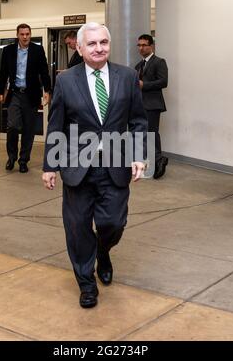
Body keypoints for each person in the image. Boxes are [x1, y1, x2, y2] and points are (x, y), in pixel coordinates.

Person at [42, 22, 147, 308]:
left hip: (115, 163)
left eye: (104, 42)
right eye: (92, 44)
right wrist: (50, 165)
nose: (99, 48)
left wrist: (138, 155)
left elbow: (138, 120)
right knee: (77, 228)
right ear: (79, 47)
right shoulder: (66, 80)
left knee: (113, 223)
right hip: (77, 167)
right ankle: (86, 283)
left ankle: (103, 251)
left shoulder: (126, 76)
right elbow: (56, 126)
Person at [0, 23, 51, 173]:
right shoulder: (8, 51)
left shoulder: (37, 50)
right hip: (15, 94)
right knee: (13, 126)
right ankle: (12, 157)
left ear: (30, 34)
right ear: (17, 35)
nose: (25, 37)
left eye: (27, 34)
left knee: (29, 129)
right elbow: (3, 73)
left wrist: (47, 90)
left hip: (31, 94)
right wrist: (0, 91)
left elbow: (44, 71)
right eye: (22, 34)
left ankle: (23, 160)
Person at [135, 34, 169, 179]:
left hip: (153, 104)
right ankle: (154, 162)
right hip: (140, 105)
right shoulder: (138, 65)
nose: (141, 48)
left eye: (144, 45)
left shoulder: (159, 62)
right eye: (139, 45)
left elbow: (163, 81)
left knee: (152, 134)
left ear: (151, 46)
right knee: (144, 135)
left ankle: (159, 160)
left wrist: (144, 85)